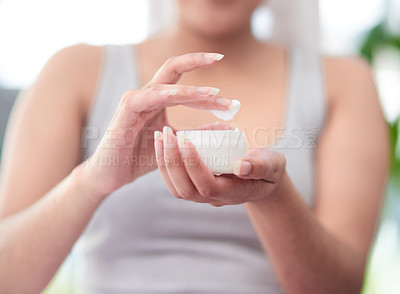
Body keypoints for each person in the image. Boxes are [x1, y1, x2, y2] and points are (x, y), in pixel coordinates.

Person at [0, 0, 388, 293]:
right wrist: (91, 181)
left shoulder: (344, 81)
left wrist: (274, 199)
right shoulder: (76, 71)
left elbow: (340, 287)